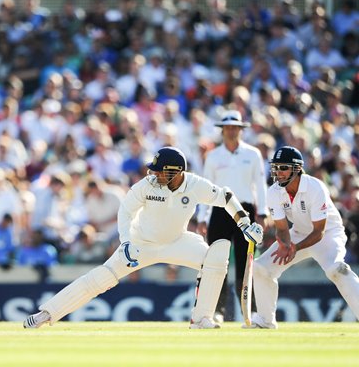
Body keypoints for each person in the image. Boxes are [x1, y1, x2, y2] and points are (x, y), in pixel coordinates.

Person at [24, 147, 263, 329]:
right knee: (100, 279)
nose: (154, 174)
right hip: (140, 244)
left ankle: (201, 318)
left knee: (217, 254)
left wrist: (245, 224)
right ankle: (47, 314)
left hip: (177, 242)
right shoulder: (146, 185)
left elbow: (226, 196)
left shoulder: (194, 184)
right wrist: (126, 241)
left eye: (160, 171)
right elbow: (125, 211)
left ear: (176, 172)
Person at [251, 146, 359, 328]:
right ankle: (265, 321)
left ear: (297, 168)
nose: (279, 173)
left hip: (328, 234)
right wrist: (285, 244)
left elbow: (319, 231)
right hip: (298, 233)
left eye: (283, 168)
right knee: (262, 268)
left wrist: (295, 248)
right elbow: (282, 228)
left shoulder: (315, 187)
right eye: (276, 168)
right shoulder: (274, 191)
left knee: (336, 269)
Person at [198, 110, 268, 321]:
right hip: (220, 211)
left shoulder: (252, 154)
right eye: (227, 128)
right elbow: (205, 187)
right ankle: (217, 311)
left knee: (245, 263)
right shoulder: (213, 156)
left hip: (245, 211)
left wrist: (263, 213)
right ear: (222, 130)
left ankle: (251, 311)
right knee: (218, 264)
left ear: (240, 130)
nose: (231, 131)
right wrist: (203, 216)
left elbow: (260, 184)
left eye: (234, 128)